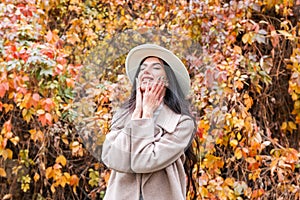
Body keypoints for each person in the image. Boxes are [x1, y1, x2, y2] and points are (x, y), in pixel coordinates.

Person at [101, 44, 197, 200]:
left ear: (167, 80)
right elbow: (112, 158)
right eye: (143, 68)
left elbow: (143, 162)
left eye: (156, 68)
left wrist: (146, 114)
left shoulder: (182, 123)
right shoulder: (122, 115)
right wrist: (137, 112)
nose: (146, 71)